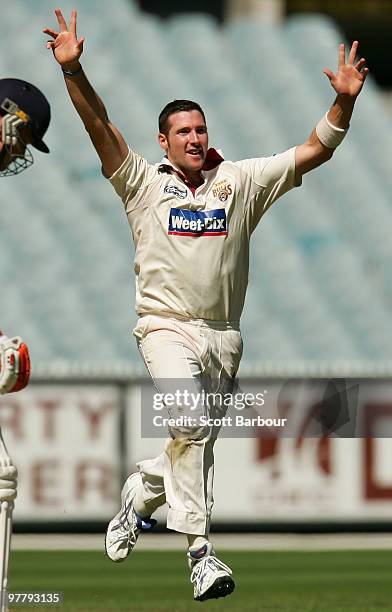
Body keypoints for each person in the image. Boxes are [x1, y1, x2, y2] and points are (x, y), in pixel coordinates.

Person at [44, 8, 368, 602]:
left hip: (224, 335)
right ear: (163, 141)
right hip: (164, 328)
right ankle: (200, 552)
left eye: (201, 129)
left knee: (187, 443)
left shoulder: (238, 182)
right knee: (190, 426)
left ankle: (138, 496)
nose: (195, 138)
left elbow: (312, 151)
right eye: (182, 132)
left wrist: (343, 105)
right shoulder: (143, 184)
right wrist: (74, 72)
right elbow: (100, 128)